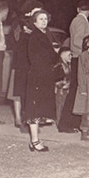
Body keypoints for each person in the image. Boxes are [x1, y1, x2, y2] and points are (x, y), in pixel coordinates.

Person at [23, 9, 61, 152]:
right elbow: (37, 58)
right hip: (38, 76)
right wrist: (54, 54)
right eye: (41, 19)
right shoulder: (35, 37)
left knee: (38, 108)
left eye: (45, 19)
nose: (44, 21)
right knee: (34, 109)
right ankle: (34, 141)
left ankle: (35, 140)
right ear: (34, 22)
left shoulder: (45, 34)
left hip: (44, 76)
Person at [59, 0, 89, 133]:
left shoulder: (76, 20)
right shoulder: (81, 21)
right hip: (79, 58)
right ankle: (66, 123)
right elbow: (78, 40)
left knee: (76, 91)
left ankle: (71, 123)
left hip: (77, 57)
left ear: (78, 9)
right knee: (75, 92)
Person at [8, 12, 35, 131]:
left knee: (20, 96)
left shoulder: (22, 38)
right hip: (24, 70)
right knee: (23, 96)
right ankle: (23, 122)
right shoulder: (27, 39)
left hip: (19, 69)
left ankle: (21, 120)